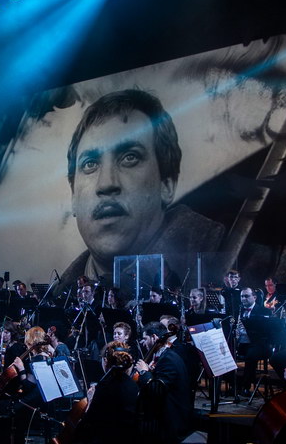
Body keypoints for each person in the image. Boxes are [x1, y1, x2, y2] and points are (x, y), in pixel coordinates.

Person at [57, 88, 224, 293]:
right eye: (90, 164)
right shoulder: (57, 293)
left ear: (167, 185)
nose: (106, 184)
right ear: (73, 197)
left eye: (130, 157)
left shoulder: (248, 261)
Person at [135, 322, 193, 444]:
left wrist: (144, 372)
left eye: (145, 339)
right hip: (167, 416)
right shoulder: (165, 356)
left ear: (154, 337)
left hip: (171, 423)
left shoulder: (168, 359)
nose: (143, 343)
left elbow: (157, 390)